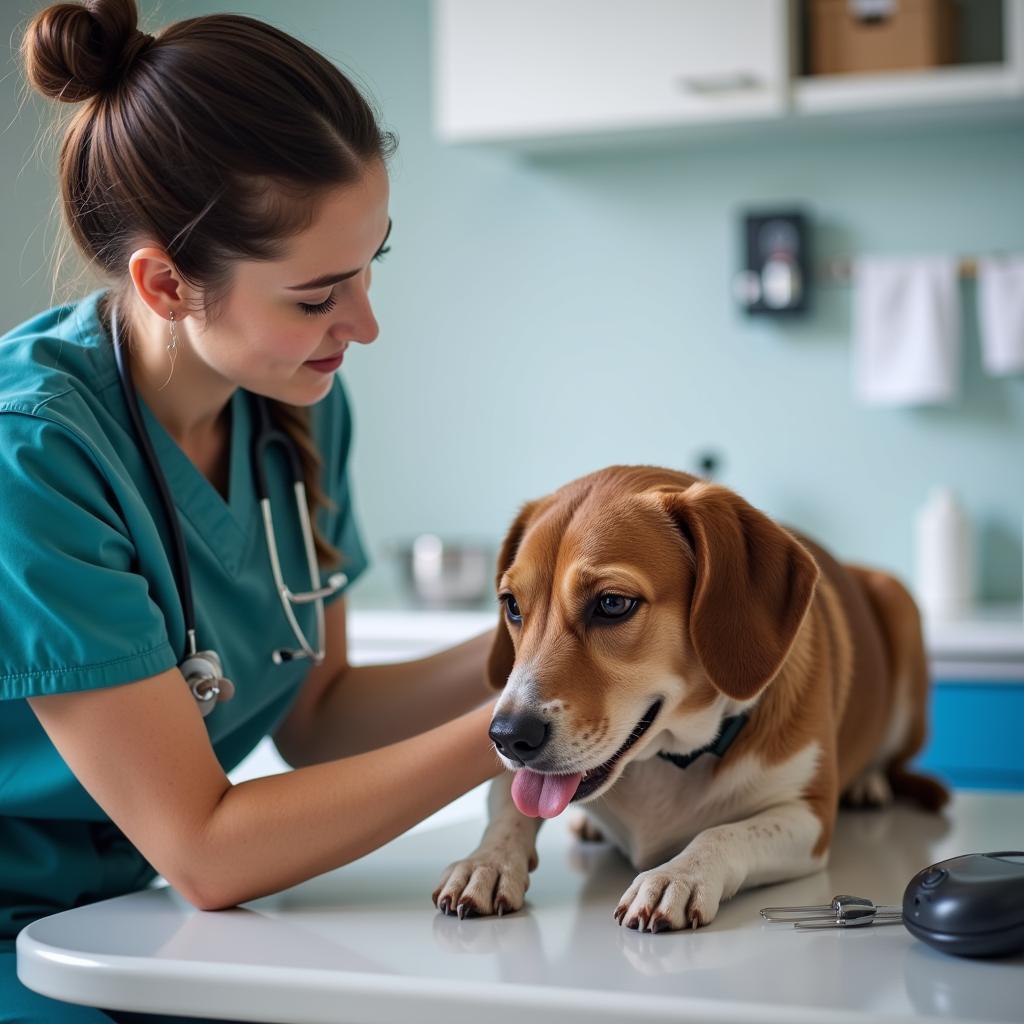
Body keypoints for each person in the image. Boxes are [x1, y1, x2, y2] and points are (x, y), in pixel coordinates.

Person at [0, 2, 503, 1020]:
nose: (362, 324)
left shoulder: (298, 405)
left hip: (121, 922)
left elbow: (320, 715)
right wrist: (537, 727)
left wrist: (560, 650)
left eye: (372, 264)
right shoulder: (33, 454)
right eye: (317, 296)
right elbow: (206, 849)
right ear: (167, 281)